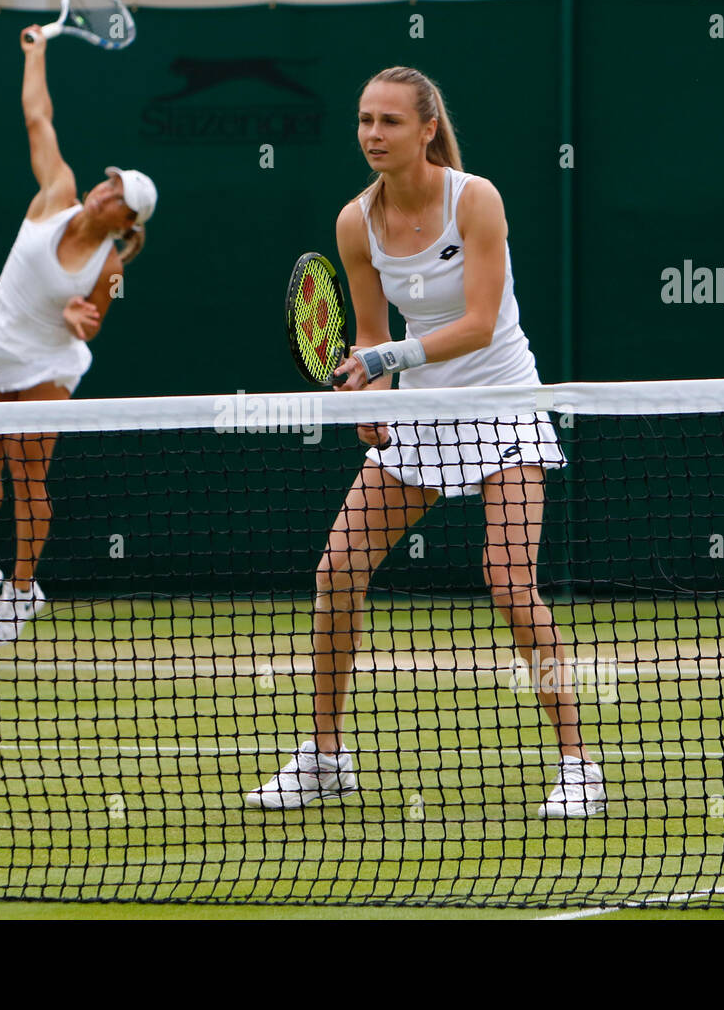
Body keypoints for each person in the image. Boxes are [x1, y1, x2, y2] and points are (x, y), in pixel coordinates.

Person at [246, 67, 606, 818]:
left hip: (503, 404)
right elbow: (370, 335)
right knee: (338, 570)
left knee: (509, 582)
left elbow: (477, 323)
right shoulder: (355, 223)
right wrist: (371, 398)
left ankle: (579, 765)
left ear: (427, 129)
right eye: (364, 120)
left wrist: (383, 362)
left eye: (390, 121)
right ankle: (325, 757)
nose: (373, 134)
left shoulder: (475, 200)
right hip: (421, 413)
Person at [0, 25, 156, 644]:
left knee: (25, 473)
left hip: (48, 365)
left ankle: (21, 590)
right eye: (109, 181)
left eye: (118, 195)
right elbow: (39, 117)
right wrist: (36, 56)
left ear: (127, 222)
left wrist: (78, 320)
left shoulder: (108, 267)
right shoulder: (56, 192)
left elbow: (91, 321)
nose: (105, 191)